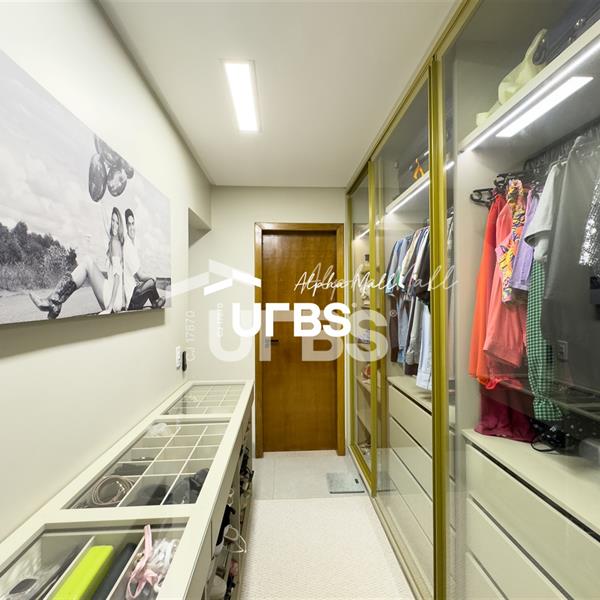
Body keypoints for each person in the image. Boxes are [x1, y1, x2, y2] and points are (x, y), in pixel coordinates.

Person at [30, 207, 126, 319]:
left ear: (120, 225)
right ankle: (54, 302)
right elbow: (105, 221)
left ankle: (53, 302)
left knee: (88, 262)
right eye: (113, 221)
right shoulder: (115, 241)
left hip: (113, 300)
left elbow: (117, 277)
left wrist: (109, 308)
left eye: (117, 222)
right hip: (114, 296)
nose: (114, 225)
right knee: (86, 263)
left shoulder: (115, 243)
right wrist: (101, 202)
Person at [123, 208, 165, 310]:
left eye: (133, 223)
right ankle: (155, 302)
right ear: (126, 226)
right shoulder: (127, 246)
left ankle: (155, 302)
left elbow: (135, 275)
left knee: (149, 283)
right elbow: (140, 276)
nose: (132, 227)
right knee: (151, 281)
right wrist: (153, 277)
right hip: (131, 300)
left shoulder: (132, 245)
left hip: (134, 292)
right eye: (129, 224)